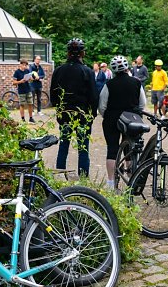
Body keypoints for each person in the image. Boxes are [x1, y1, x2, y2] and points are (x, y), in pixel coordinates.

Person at [50, 38, 98, 177]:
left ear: (68, 52)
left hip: (65, 114)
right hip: (83, 115)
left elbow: (53, 94)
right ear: (83, 53)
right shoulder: (87, 71)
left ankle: (59, 176)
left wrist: (59, 110)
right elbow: (94, 96)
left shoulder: (59, 71)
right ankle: (83, 178)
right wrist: (92, 114)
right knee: (83, 147)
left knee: (63, 145)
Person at [98, 55, 146, 188]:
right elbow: (142, 104)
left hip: (112, 119)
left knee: (112, 149)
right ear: (127, 68)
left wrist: (107, 116)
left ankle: (110, 182)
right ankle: (131, 180)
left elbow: (102, 106)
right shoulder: (136, 82)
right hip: (131, 120)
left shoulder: (109, 84)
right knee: (130, 149)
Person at [13, 59, 34, 123]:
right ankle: (23, 119)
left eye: (25, 65)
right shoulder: (17, 72)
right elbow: (14, 82)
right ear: (20, 65)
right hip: (21, 90)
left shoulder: (27, 71)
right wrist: (20, 81)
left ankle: (31, 118)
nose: (24, 66)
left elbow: (31, 80)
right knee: (22, 105)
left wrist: (30, 79)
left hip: (28, 89)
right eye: (23, 65)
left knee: (30, 104)